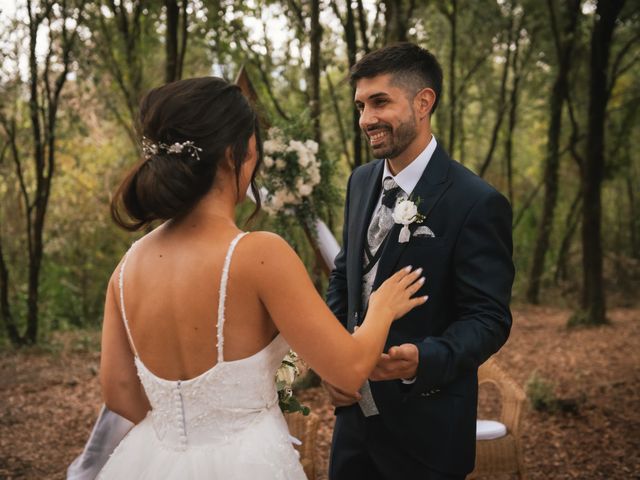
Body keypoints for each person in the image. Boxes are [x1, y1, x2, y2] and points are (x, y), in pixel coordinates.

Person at [96, 76, 427, 479]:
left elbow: (119, 392)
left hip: (150, 462)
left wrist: (184, 438)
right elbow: (348, 369)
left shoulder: (126, 269)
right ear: (241, 154)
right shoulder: (258, 255)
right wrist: (382, 308)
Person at [324, 43, 515, 480]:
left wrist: (424, 359)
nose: (365, 119)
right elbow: (343, 277)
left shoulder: (476, 202)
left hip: (427, 432)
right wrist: (334, 356)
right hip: (353, 428)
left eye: (379, 102)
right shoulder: (360, 181)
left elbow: (488, 317)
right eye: (360, 105)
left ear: (423, 102)